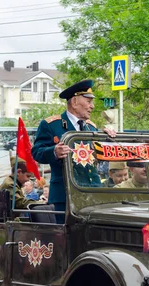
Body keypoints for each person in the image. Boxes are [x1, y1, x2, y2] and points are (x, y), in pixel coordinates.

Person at [33, 80, 116, 223]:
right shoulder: (51, 125)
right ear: (75, 101)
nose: (92, 106)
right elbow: (36, 152)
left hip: (92, 192)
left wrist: (107, 139)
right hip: (65, 195)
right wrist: (54, 151)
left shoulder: (91, 128)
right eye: (89, 101)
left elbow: (98, 157)